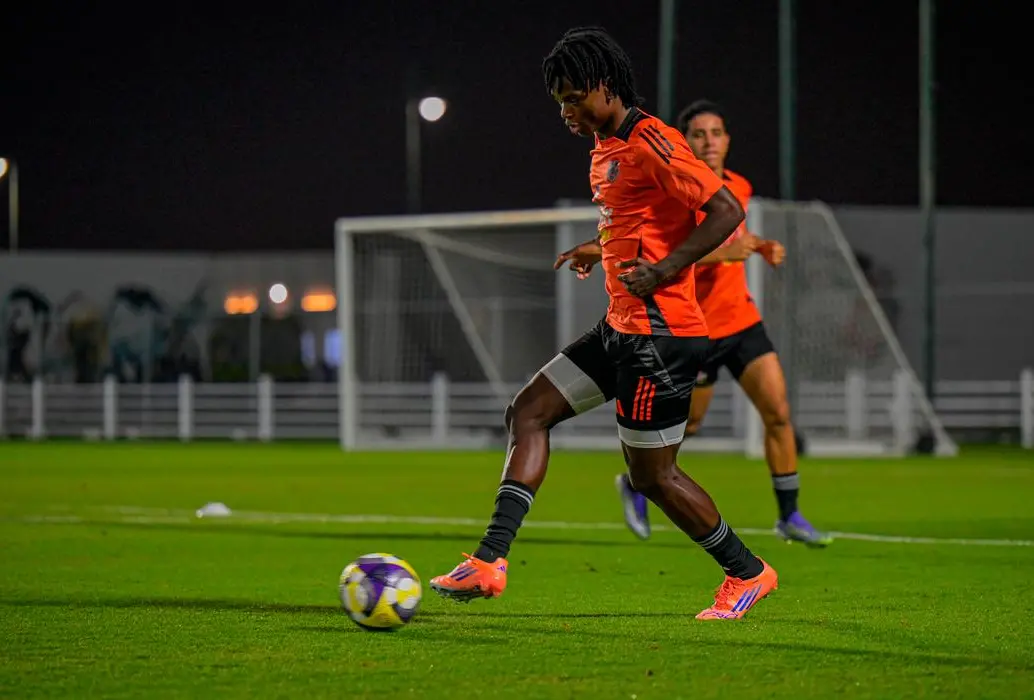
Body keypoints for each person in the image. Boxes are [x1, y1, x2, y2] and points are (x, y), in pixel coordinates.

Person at [429, 28, 778, 620]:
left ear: (608, 87)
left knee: (654, 478)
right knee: (528, 411)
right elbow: (640, 220)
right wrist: (601, 249)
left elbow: (727, 211)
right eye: (559, 101)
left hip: (662, 339)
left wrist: (664, 269)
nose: (565, 111)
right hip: (621, 327)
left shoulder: (653, 141)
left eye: (574, 98)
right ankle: (489, 561)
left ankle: (748, 572)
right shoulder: (605, 145)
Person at [608, 99, 832, 547]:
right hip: (696, 329)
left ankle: (789, 515)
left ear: (728, 140)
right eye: (698, 134)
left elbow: (732, 238)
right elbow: (666, 254)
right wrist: (723, 253)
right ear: (684, 140)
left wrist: (758, 246)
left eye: (717, 133)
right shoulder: (678, 190)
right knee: (687, 426)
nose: (709, 142)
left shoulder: (739, 187)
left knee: (779, 414)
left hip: (742, 322)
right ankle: (635, 483)